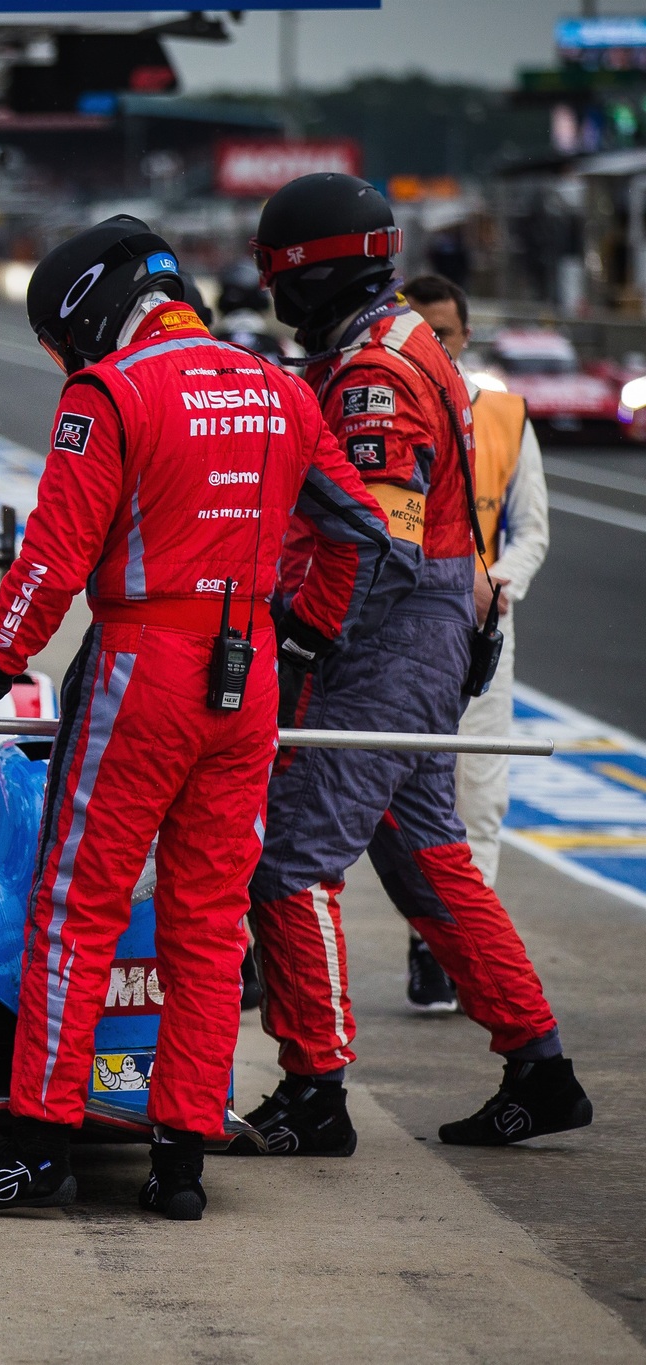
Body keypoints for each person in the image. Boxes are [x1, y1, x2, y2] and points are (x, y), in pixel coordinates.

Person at [0, 216, 395, 1221]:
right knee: (209, 926)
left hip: (144, 669)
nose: (65, 359)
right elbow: (363, 523)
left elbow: (48, 562)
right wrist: (305, 632)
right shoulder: (277, 385)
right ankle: (180, 1161)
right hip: (247, 672)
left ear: (88, 309)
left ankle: (38, 1146)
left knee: (72, 909)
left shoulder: (109, 393)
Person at [242, 174, 591, 1154]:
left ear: (314, 271)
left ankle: (314, 1091)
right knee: (427, 857)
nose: (273, 296)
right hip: (424, 631)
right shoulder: (390, 343)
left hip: (384, 638)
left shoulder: (373, 374)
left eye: (279, 277)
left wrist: (302, 634)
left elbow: (374, 540)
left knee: (289, 865)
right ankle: (540, 1067)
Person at [402, 272, 550, 1012]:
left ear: (465, 337)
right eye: (421, 331)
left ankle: (448, 952)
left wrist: (497, 580)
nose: (437, 344)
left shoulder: (504, 416)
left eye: (447, 333)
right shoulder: (382, 405)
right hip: (399, 633)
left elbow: (534, 531)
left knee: (479, 797)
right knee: (403, 795)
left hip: (485, 633)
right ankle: (427, 932)